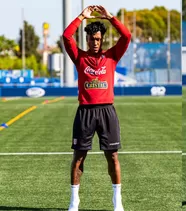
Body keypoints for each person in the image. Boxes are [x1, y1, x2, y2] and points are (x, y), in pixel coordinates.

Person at [63, 5, 131, 211]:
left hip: (107, 111)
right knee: (79, 157)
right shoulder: (80, 57)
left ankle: (117, 200)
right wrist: (81, 17)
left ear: (102, 40)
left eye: (99, 39)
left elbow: (126, 36)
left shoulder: (111, 56)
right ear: (87, 40)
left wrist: (110, 17)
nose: (95, 42)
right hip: (85, 112)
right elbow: (67, 36)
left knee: (112, 156)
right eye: (92, 39)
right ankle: (74, 201)